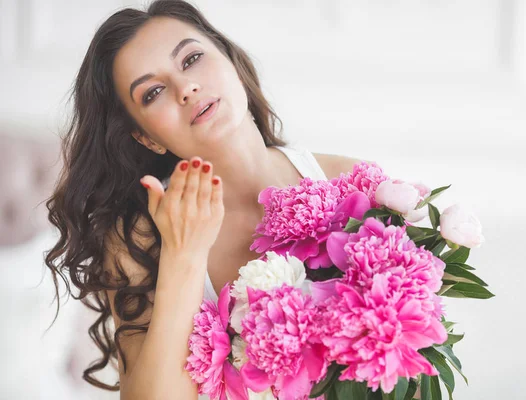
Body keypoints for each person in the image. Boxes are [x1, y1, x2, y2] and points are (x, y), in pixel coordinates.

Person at [43, 0, 365, 399]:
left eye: (192, 58)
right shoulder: (137, 238)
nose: (186, 88)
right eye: (154, 92)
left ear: (230, 58)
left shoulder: (351, 184)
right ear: (145, 137)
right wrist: (184, 256)